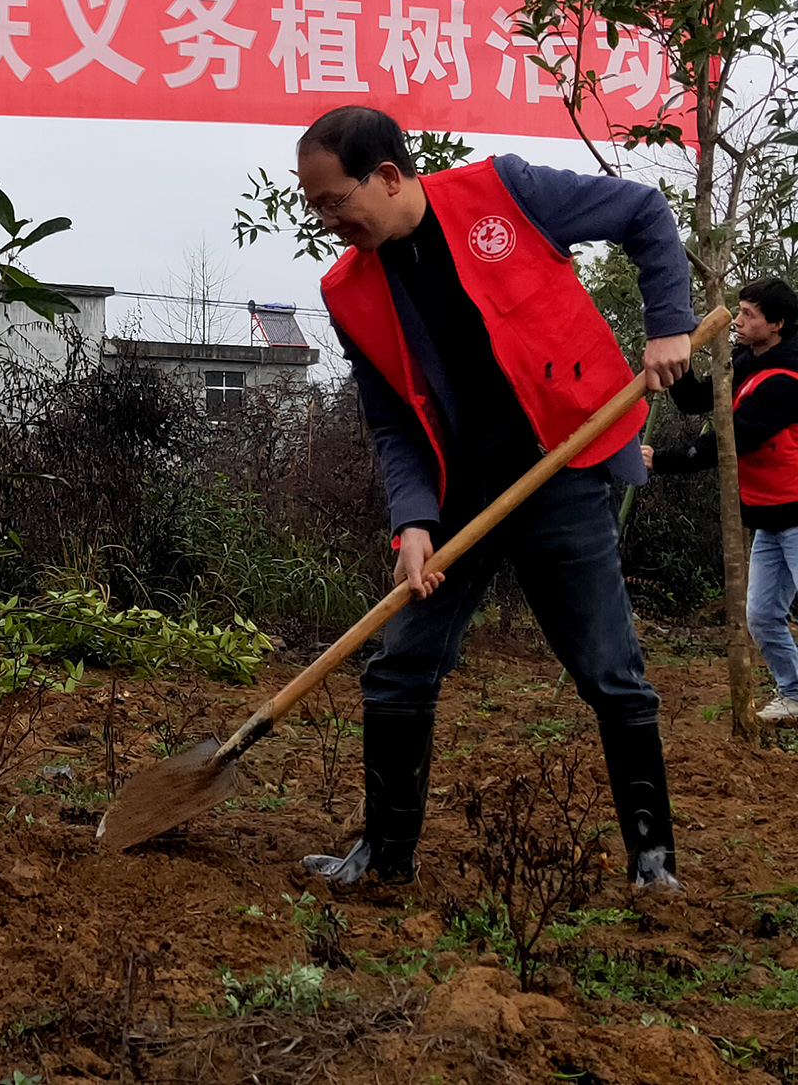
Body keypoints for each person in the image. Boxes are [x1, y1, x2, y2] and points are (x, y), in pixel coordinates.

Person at [297, 105, 695, 892]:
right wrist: (412, 521)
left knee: (610, 672)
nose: (327, 220)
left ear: (386, 175)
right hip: (459, 496)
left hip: (562, 467)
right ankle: (387, 852)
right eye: (314, 207)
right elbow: (393, 422)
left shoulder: (504, 193)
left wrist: (669, 326)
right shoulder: (348, 291)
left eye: (334, 200)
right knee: (399, 666)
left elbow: (644, 212)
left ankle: (654, 860)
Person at [646, 277, 798, 723]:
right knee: (763, 616)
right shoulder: (745, 361)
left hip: (796, 512)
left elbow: (734, 440)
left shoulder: (788, 378)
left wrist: (665, 460)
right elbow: (697, 400)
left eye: (749, 314)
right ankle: (794, 693)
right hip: (769, 516)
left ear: (777, 324)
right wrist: (679, 356)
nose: (739, 319)